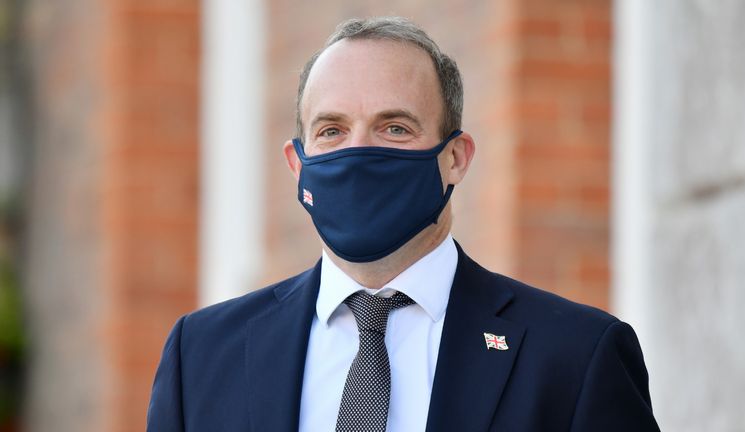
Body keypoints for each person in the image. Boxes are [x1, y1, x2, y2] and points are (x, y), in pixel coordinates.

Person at [147, 16, 660, 432]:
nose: (359, 152)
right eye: (332, 130)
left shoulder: (574, 356)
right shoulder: (202, 356)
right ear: (296, 164)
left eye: (395, 128)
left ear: (455, 158)